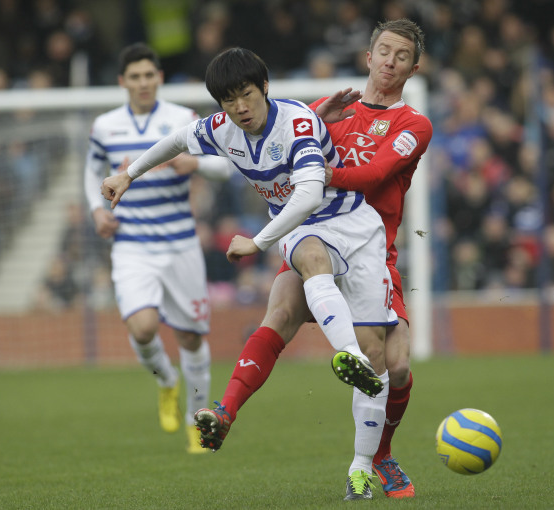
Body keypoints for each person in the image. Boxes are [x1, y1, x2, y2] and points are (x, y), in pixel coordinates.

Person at [101, 47, 396, 501]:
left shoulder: (298, 123)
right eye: (229, 100)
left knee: (379, 356)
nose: (240, 108)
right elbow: (179, 140)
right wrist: (129, 174)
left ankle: (360, 466)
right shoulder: (224, 128)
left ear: (265, 89)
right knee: (302, 271)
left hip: (356, 227)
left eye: (247, 95)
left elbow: (310, 192)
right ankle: (338, 359)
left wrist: (257, 241)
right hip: (303, 230)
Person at [194, 19, 432, 500]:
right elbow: (286, 142)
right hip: (314, 239)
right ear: (367, 57)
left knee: (396, 365)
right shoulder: (327, 116)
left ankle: (379, 456)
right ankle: (224, 411)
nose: (389, 61)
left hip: (371, 248)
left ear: (414, 67)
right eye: (383, 51)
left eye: (401, 55)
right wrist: (320, 116)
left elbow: (377, 173)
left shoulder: (413, 124)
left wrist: (320, 174)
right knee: (279, 313)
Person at [83, 43, 232, 454]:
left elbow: (226, 162)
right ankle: (167, 381)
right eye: (135, 76)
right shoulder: (105, 127)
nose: (143, 82)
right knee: (143, 327)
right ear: (122, 82)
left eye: (150, 75)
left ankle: (196, 419)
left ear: (159, 78)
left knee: (189, 336)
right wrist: (97, 210)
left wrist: (196, 163)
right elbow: (92, 172)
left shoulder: (182, 120)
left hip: (180, 244)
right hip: (131, 244)